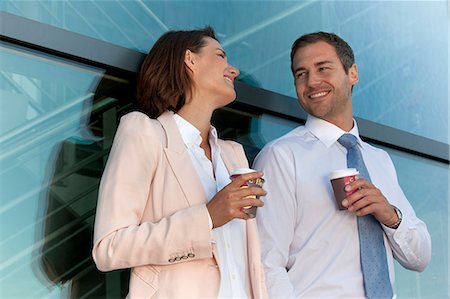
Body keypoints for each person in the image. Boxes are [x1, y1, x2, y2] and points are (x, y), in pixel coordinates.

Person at [92, 27, 268, 298]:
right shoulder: (145, 133)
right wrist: (207, 217)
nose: (233, 71)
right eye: (221, 56)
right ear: (190, 59)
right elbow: (109, 247)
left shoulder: (234, 155)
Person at [253, 32, 431, 298]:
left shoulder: (378, 160)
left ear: (353, 73)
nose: (312, 81)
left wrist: (390, 215)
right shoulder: (281, 156)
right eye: (301, 74)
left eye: (323, 68)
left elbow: (420, 257)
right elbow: (266, 265)